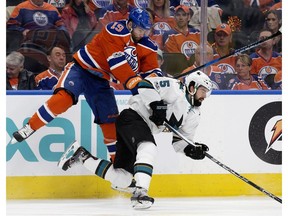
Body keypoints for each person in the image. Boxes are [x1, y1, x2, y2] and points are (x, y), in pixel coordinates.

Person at [10, 8, 162, 163]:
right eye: (139, 29)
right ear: (130, 24)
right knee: (63, 99)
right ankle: (30, 127)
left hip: (101, 80)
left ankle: (118, 163)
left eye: (146, 30)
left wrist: (155, 93)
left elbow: (152, 71)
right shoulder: (115, 31)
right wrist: (137, 87)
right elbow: (118, 65)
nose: (142, 33)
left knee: (109, 120)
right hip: (81, 69)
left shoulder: (149, 46)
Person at [57, 71, 212, 209]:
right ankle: (140, 194)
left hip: (139, 128)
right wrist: (156, 104)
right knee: (148, 147)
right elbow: (145, 84)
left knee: (123, 178)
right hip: (132, 118)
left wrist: (191, 149)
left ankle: (81, 156)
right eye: (203, 91)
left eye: (207, 93)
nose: (204, 96)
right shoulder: (174, 87)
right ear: (192, 86)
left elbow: (180, 141)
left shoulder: (194, 115)